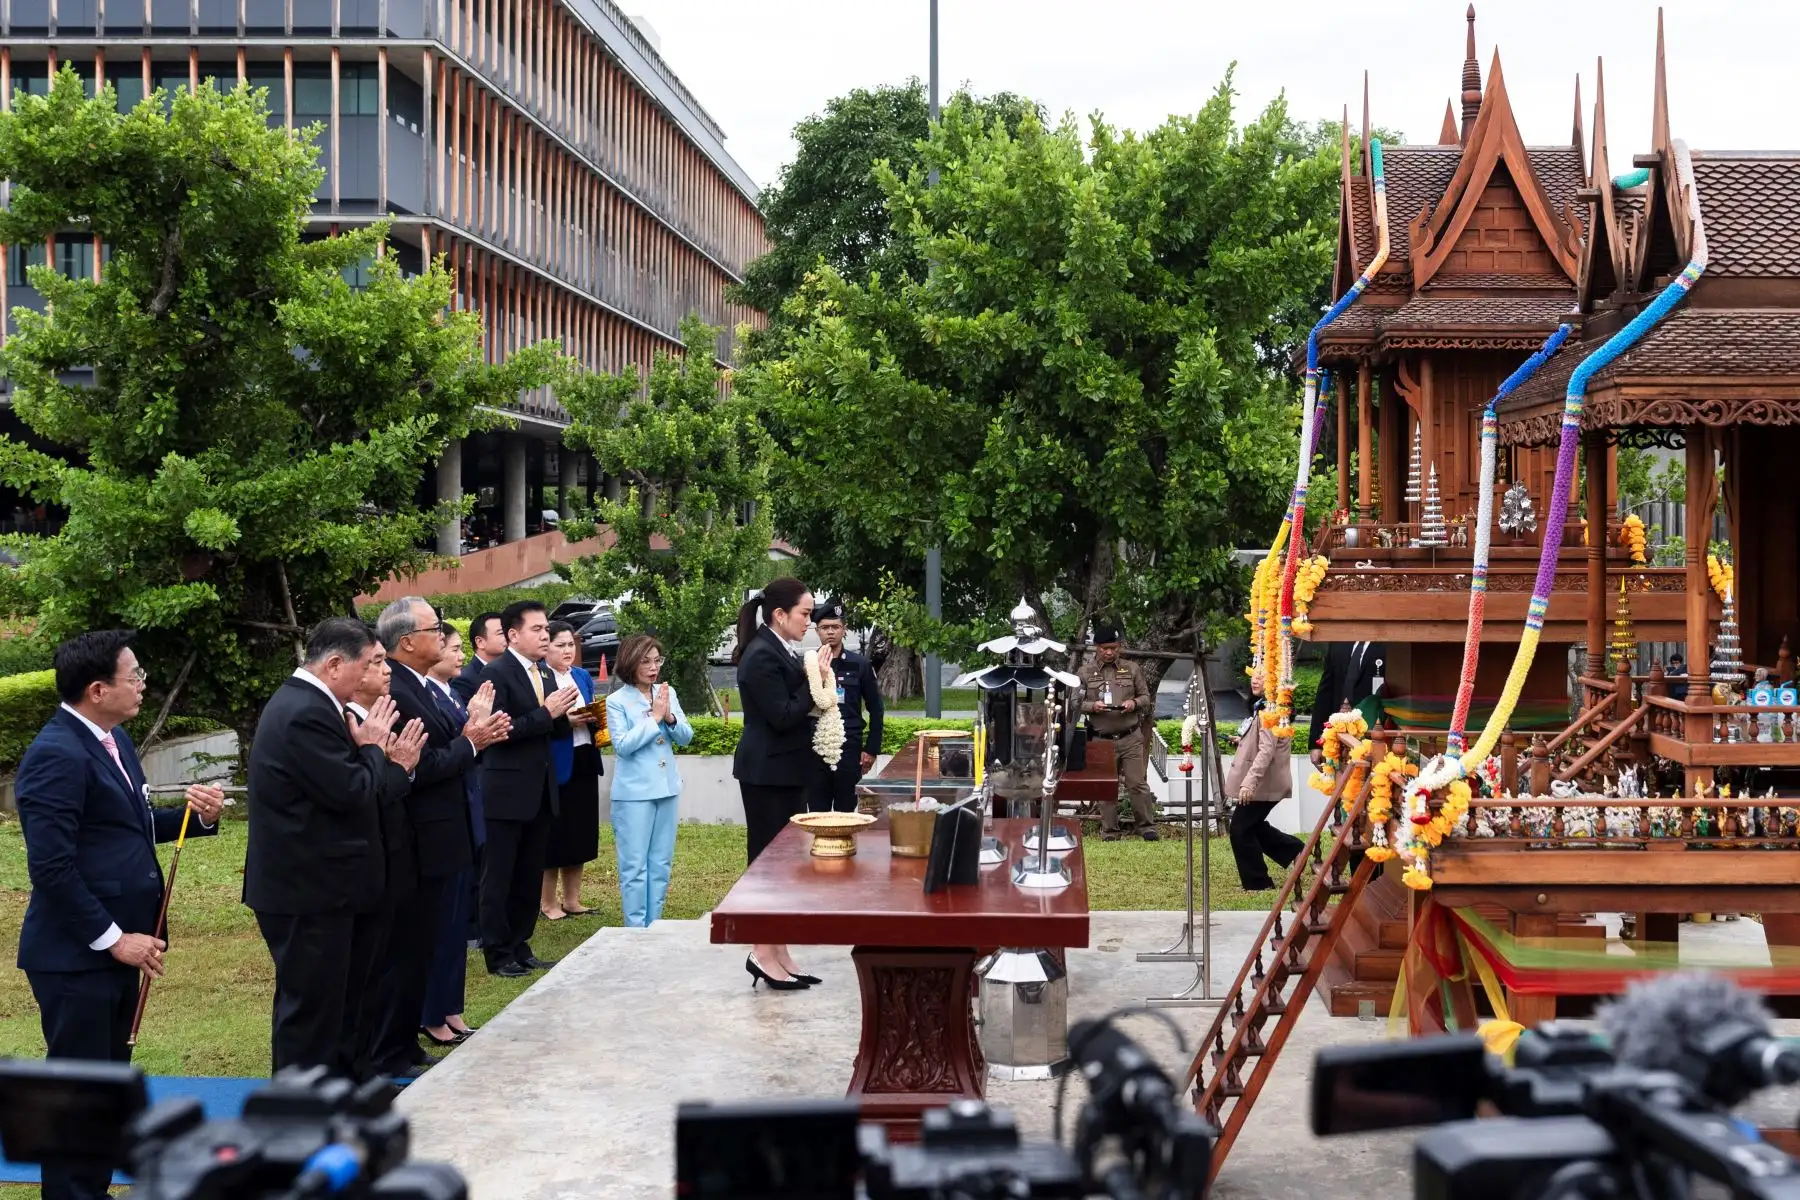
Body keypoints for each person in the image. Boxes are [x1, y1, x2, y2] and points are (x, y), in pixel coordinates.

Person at [16, 631, 225, 1200]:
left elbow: (127, 824)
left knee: (107, 1088)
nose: (142, 685)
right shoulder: (56, 755)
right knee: (80, 1094)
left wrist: (193, 815)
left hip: (122, 948)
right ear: (97, 688)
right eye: (133, 676)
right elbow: (53, 869)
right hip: (76, 958)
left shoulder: (114, 740)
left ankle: (94, 1187)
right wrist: (113, 940)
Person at [245, 617, 425, 1080]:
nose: (372, 675)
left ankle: (342, 1094)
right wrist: (375, 750)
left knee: (342, 1005)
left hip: (328, 886)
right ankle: (301, 1112)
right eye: (369, 664)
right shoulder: (304, 711)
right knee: (311, 1013)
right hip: (307, 890)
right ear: (335, 664)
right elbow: (350, 791)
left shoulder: (315, 703)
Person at [372, 598, 509, 1071]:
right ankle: (399, 1044)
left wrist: (471, 726)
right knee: (414, 946)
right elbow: (422, 766)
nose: (443, 634)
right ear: (408, 641)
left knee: (439, 936)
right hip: (421, 835)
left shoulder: (424, 686)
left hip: (449, 829)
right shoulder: (399, 691)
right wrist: (473, 739)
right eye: (436, 628)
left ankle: (414, 1036)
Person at [732, 576, 830, 990]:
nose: (810, 622)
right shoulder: (760, 656)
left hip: (787, 770)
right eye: (805, 614)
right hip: (766, 773)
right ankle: (761, 950)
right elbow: (784, 715)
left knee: (787, 866)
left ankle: (780, 950)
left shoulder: (781, 649)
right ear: (779, 614)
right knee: (767, 867)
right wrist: (817, 682)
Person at [478, 600, 580, 977]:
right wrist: (546, 713)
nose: (545, 636)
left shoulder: (545, 673)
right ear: (513, 635)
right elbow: (500, 732)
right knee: (500, 874)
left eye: (545, 629)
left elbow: (550, 727)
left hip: (540, 790)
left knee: (529, 873)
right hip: (506, 792)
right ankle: (497, 952)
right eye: (536, 629)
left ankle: (520, 943)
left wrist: (566, 718)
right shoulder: (497, 674)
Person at [420, 626, 484, 1046]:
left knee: (456, 923)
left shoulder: (448, 693)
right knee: (438, 926)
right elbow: (438, 756)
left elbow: (468, 744)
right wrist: (472, 732)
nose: (456, 654)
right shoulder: (418, 693)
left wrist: (480, 728)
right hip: (436, 824)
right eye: (450, 645)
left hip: (463, 815)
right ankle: (431, 1013)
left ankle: (451, 1007)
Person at [607, 634, 693, 927]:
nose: (653, 667)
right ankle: (635, 929)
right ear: (631, 663)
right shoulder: (616, 701)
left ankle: (654, 924)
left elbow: (686, 737)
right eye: (646, 661)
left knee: (660, 864)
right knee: (634, 866)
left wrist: (669, 718)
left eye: (657, 660)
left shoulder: (666, 692)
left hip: (667, 788)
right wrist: (653, 718)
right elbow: (622, 745)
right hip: (634, 794)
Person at [540, 620, 603, 919]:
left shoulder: (580, 675)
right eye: (559, 645)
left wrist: (595, 719)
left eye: (570, 645)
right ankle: (547, 902)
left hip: (584, 757)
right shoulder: (540, 678)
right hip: (555, 762)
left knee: (581, 830)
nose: (567, 651)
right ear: (546, 647)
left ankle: (573, 899)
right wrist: (566, 722)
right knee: (555, 832)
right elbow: (537, 722)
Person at [1078, 621, 1160, 841]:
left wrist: (1134, 703)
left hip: (1130, 736)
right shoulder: (1085, 672)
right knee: (1106, 787)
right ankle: (1110, 831)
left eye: (1113, 647)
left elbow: (1145, 697)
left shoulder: (1131, 669)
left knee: (1137, 783)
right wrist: (1091, 706)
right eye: (1105, 648)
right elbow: (1074, 702)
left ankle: (1146, 827)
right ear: (1097, 647)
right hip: (1101, 738)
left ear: (1119, 647)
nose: (1109, 652)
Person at [1224, 670, 1306, 890]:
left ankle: (1258, 883)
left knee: (1240, 829)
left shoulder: (1272, 710)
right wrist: (1241, 740)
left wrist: (1249, 782)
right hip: (1262, 781)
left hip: (1262, 783)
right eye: (1253, 675)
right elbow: (1262, 742)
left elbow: (1266, 751)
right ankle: (1295, 850)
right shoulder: (1263, 705)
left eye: (1262, 676)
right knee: (1251, 826)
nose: (1254, 679)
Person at [808, 600, 883, 813]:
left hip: (849, 747)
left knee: (847, 810)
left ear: (844, 629)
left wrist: (871, 749)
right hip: (814, 747)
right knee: (816, 811)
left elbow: (876, 708)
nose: (830, 632)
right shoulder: (808, 663)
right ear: (817, 630)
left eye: (835, 627)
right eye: (825, 627)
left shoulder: (859, 664)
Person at [1308, 641, 1385, 766]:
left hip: (1373, 737)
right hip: (1337, 737)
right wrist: (1316, 743)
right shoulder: (1339, 642)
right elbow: (1325, 693)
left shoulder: (1388, 645)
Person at [452, 610, 506, 703]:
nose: (508, 637)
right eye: (501, 633)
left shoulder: (512, 670)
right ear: (480, 642)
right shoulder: (464, 680)